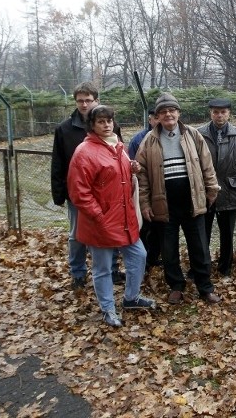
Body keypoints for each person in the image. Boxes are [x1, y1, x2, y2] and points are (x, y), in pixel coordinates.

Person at [67, 105, 156, 327]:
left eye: (109, 121)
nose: (107, 125)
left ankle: (130, 298)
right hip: (100, 222)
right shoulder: (84, 152)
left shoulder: (118, 146)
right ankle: (108, 309)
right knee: (103, 268)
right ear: (92, 125)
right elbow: (79, 192)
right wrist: (99, 216)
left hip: (124, 218)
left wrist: (131, 168)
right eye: (101, 122)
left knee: (139, 255)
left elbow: (114, 177)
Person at [135, 93, 222, 305]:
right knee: (169, 249)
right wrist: (144, 203)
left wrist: (212, 190)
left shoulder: (193, 136)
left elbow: (207, 166)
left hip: (192, 202)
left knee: (200, 247)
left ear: (178, 113)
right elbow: (142, 177)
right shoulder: (149, 141)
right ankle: (176, 285)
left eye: (172, 110)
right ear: (157, 116)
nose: (168, 114)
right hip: (163, 205)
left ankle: (205, 287)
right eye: (163, 112)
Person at [51, 82, 125, 290]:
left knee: (108, 230)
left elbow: (119, 155)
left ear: (96, 100)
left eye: (88, 100)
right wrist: (59, 193)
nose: (84, 104)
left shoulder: (111, 126)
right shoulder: (64, 129)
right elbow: (58, 163)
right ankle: (78, 273)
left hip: (106, 192)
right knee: (77, 235)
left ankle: (111, 270)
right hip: (78, 194)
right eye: (80, 100)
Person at [198, 98, 236, 277]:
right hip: (205, 193)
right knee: (201, 234)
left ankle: (225, 268)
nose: (219, 115)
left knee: (227, 235)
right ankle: (201, 268)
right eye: (215, 112)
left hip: (230, 192)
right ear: (210, 113)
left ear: (229, 113)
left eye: (223, 112)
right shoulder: (199, 134)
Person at [128, 108, 162, 272]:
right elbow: (136, 169)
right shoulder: (139, 140)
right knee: (145, 228)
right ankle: (144, 262)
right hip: (146, 191)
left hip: (165, 193)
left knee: (159, 229)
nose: (158, 120)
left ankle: (155, 257)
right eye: (155, 118)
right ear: (150, 120)